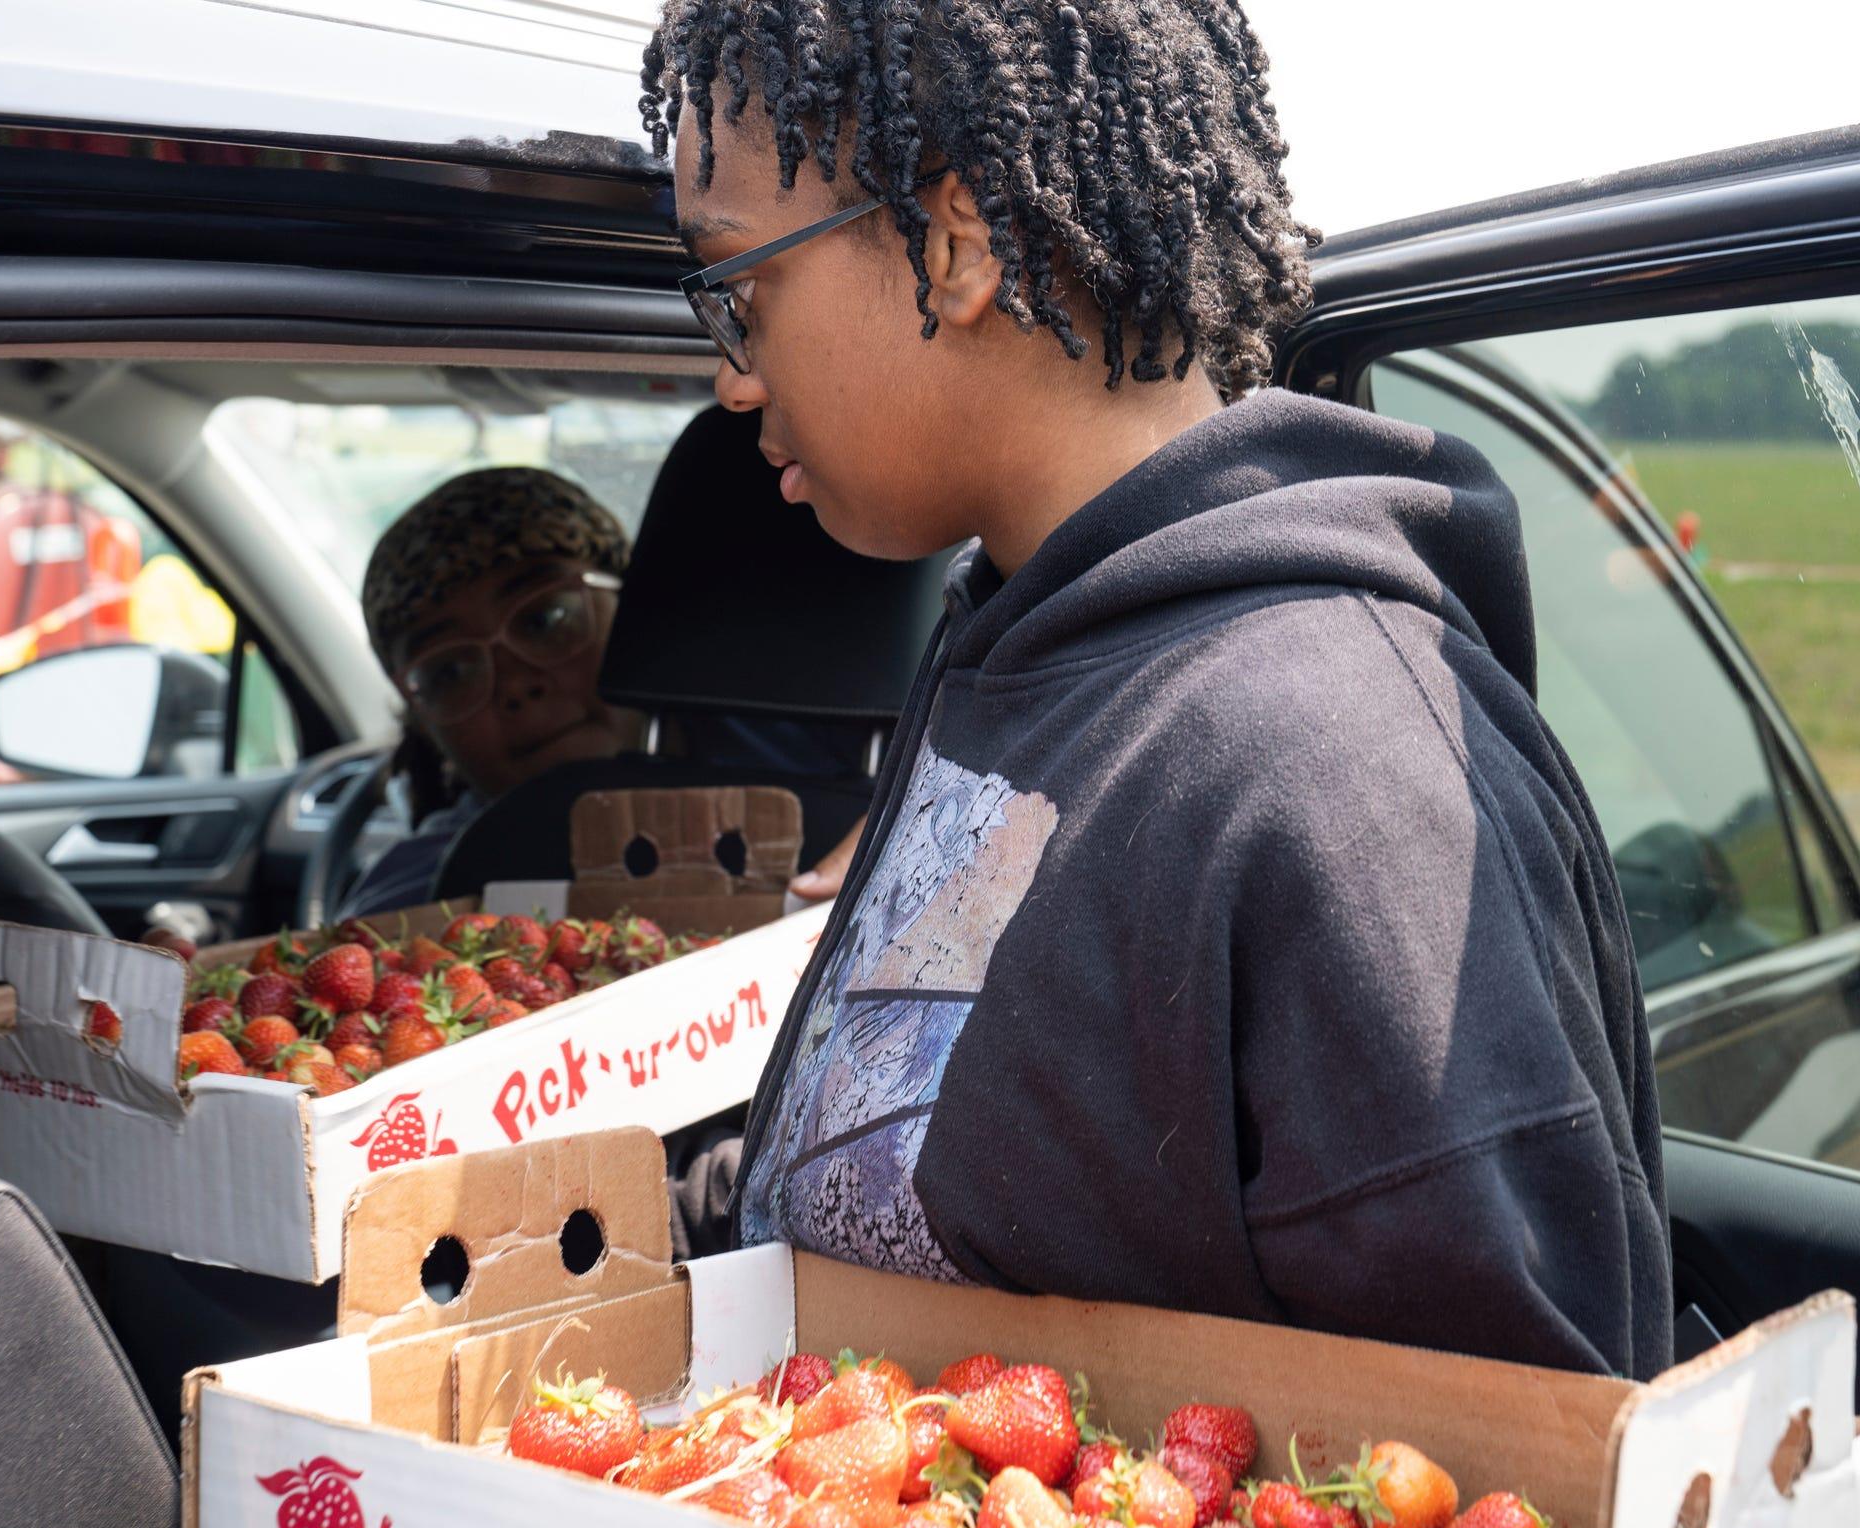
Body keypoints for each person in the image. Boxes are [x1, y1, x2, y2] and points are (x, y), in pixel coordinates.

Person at [647, 0, 1672, 1384]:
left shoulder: (1342, 772)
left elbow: (1506, 1510)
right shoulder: (1009, 646)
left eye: (738, 289)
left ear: (951, 249)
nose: (730, 373)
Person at [342, 467, 642, 915]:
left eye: (547, 620)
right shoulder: (412, 906)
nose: (514, 684)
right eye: (450, 672)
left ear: (638, 608)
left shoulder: (778, 772)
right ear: (424, 725)